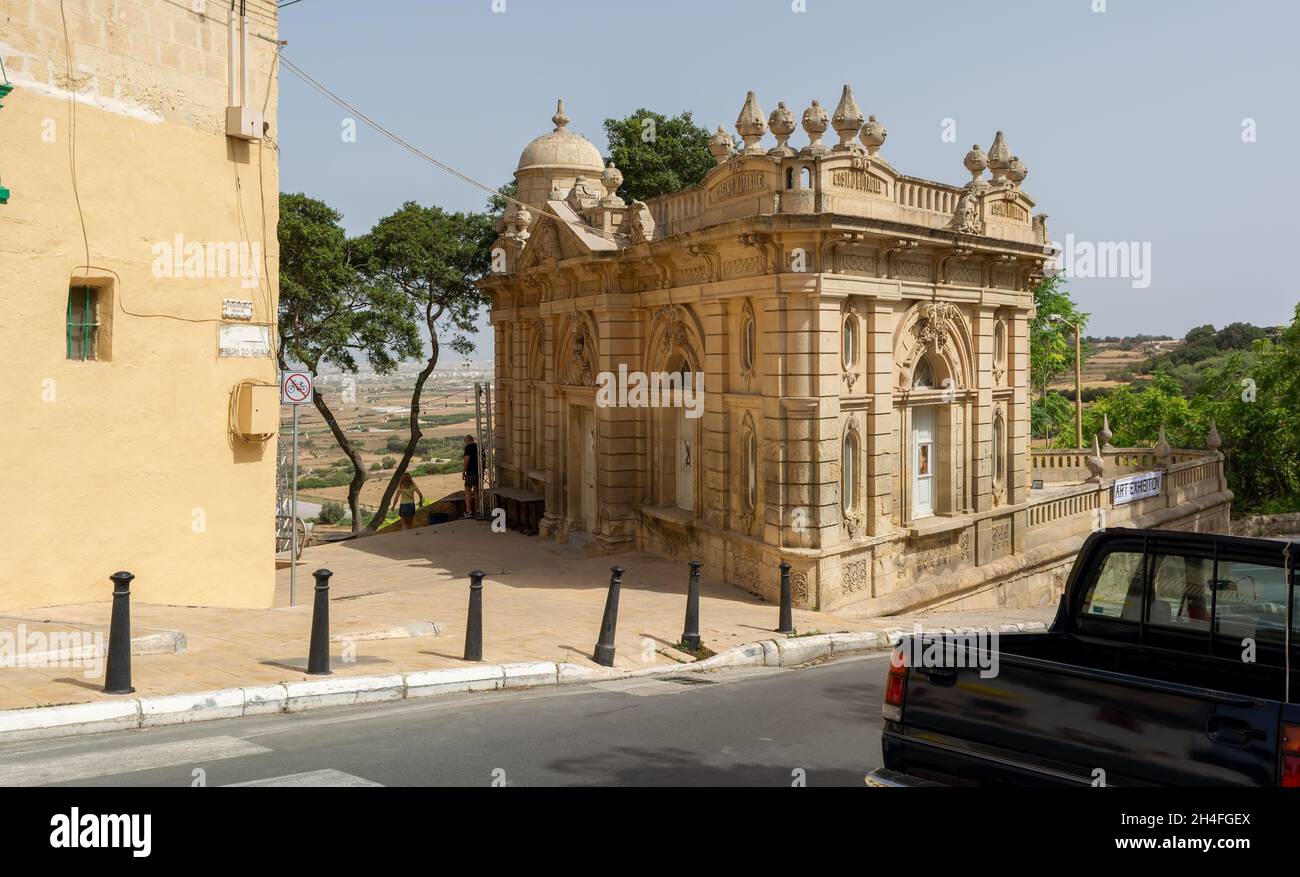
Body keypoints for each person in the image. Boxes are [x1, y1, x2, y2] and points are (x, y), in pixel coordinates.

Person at [462, 434, 479, 518]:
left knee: (467, 490)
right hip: (478, 472)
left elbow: (466, 460)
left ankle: (468, 511)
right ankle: (477, 509)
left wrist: (463, 471)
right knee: (476, 490)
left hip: (471, 473)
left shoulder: (468, 447)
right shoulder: (479, 447)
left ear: (467, 441)